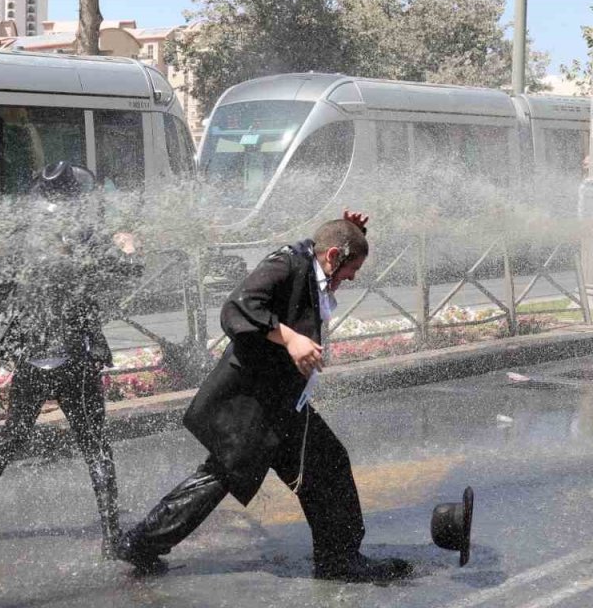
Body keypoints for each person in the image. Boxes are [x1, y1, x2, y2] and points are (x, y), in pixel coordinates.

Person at [116, 212, 414, 583]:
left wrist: (353, 230)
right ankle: (142, 542)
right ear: (333, 256)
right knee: (225, 474)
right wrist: (290, 337)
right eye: (350, 268)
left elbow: (332, 243)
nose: (352, 278)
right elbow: (237, 308)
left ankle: (339, 558)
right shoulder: (286, 263)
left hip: (282, 402)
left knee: (321, 466)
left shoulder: (317, 260)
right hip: (256, 404)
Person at [0, 161, 136, 558]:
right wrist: (129, 248)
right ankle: (110, 536)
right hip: (76, 358)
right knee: (96, 447)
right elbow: (128, 270)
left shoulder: (23, 238)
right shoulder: (87, 233)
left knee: (8, 441)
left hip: (33, 359)